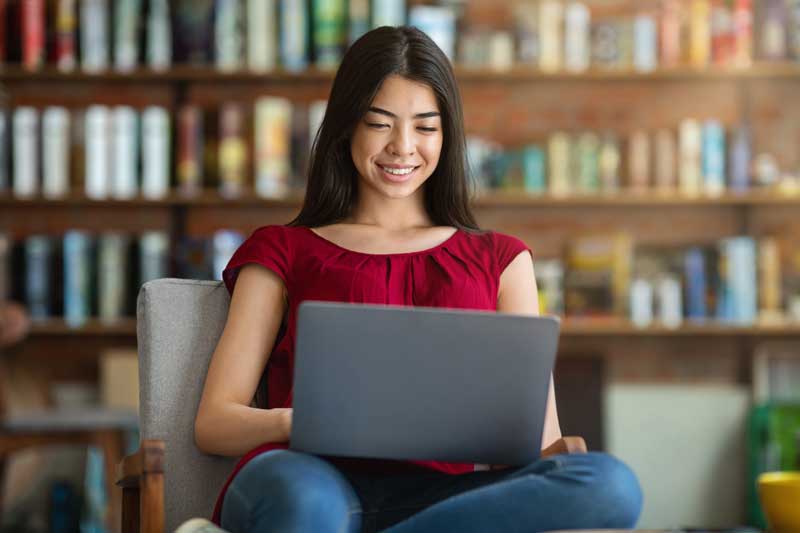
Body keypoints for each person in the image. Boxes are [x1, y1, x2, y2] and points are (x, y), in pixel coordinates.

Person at [194, 26, 642, 533]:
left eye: (425, 128)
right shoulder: (284, 249)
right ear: (347, 128)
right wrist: (293, 422)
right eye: (379, 124)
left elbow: (541, 443)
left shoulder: (502, 259)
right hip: (307, 478)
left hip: (447, 502)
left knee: (612, 484)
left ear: (447, 135)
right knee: (304, 506)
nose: (402, 147)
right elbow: (214, 423)